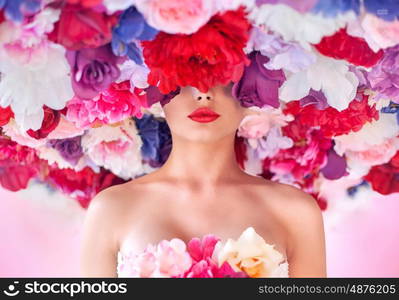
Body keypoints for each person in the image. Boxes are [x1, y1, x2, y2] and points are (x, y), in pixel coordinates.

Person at [80, 84, 327, 277]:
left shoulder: (295, 211)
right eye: (184, 77)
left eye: (223, 75)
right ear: (156, 91)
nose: (203, 93)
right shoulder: (111, 208)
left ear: (250, 88)